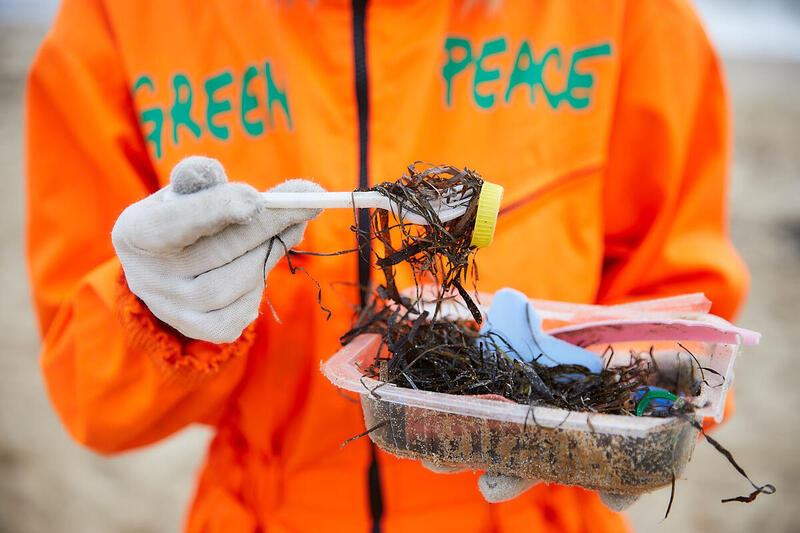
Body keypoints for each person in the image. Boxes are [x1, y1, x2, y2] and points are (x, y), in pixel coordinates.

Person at [25, 0, 747, 531]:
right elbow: (91, 397)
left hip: (541, 512)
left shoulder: (630, 19)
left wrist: (644, 415)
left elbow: (683, 323)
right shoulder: (122, 22)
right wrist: (158, 308)